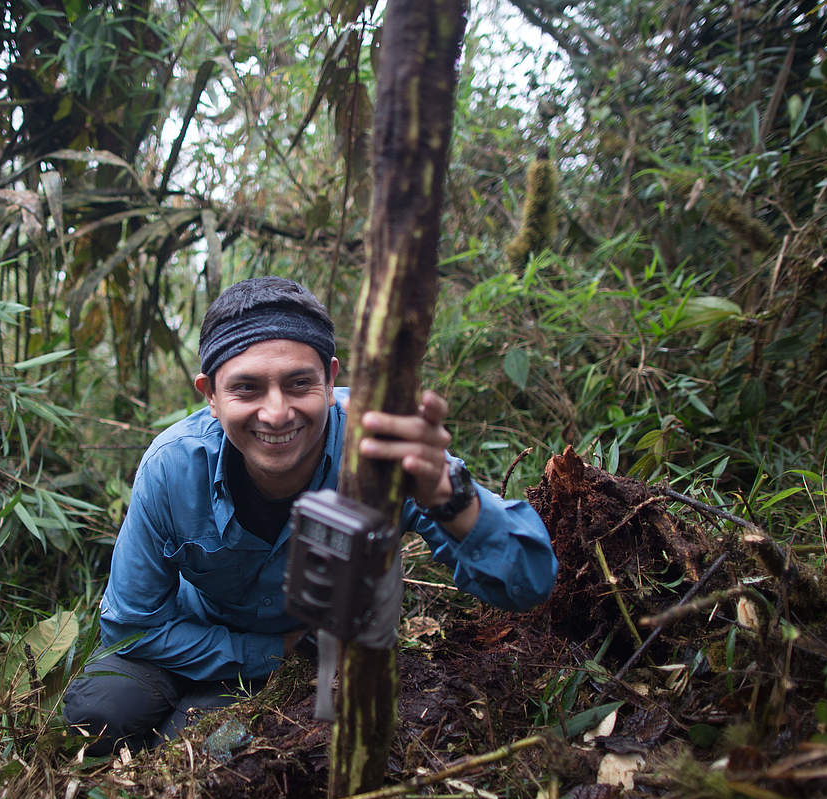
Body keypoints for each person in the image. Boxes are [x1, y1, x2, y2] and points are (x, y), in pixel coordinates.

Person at [63, 276, 557, 753]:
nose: (276, 413)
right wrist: (269, 651)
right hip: (194, 638)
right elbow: (132, 627)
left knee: (208, 750)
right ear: (210, 395)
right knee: (100, 708)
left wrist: (445, 493)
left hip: (314, 658)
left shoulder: (379, 446)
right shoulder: (172, 467)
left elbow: (529, 582)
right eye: (247, 389)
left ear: (331, 378)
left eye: (300, 383)